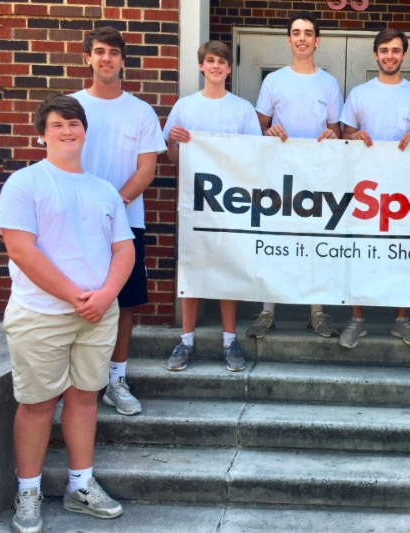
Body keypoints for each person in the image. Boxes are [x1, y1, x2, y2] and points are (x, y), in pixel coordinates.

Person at [0, 95, 134, 533]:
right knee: (37, 404)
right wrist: (77, 296)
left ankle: (80, 486)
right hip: (41, 314)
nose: (67, 131)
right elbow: (21, 249)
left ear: (85, 131)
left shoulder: (104, 190)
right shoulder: (25, 183)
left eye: (74, 123)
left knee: (84, 399)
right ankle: (28, 492)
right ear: (42, 134)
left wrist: (105, 295)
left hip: (97, 315)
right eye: (57, 124)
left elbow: (123, 249)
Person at [70, 26, 167, 416]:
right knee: (74, 296)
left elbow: (146, 171)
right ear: (88, 58)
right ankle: (73, 382)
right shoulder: (71, 107)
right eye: (99, 51)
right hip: (74, 223)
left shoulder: (140, 111)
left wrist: (112, 205)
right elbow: (59, 163)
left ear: (123, 60)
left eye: (113, 52)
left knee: (123, 303)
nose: (106, 58)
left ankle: (116, 381)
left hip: (126, 224)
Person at [164, 41, 262, 373]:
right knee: (192, 268)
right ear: (201, 66)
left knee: (227, 268)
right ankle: (186, 340)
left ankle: (229, 341)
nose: (216, 66)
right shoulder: (184, 107)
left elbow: (254, 155)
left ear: (229, 69)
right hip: (194, 202)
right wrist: (173, 141)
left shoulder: (242, 109)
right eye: (210, 60)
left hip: (232, 203)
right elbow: (174, 159)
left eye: (222, 61)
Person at [339, 28, 410, 349]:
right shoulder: (360, 93)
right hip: (364, 187)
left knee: (402, 250)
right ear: (376, 54)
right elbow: (344, 134)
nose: (390, 56)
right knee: (358, 250)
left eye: (395, 50)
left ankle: (401, 319)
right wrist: (354, 136)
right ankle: (357, 319)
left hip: (403, 189)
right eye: (384, 50)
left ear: (404, 54)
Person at [248, 11, 343, 341]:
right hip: (280, 177)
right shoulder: (274, 81)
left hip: (317, 178)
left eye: (308, 33)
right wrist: (268, 131)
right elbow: (257, 126)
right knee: (275, 240)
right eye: (296, 32)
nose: (302, 38)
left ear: (317, 41)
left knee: (316, 242)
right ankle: (267, 312)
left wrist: (332, 135)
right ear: (289, 40)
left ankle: (316, 313)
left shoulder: (329, 83)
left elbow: (336, 130)